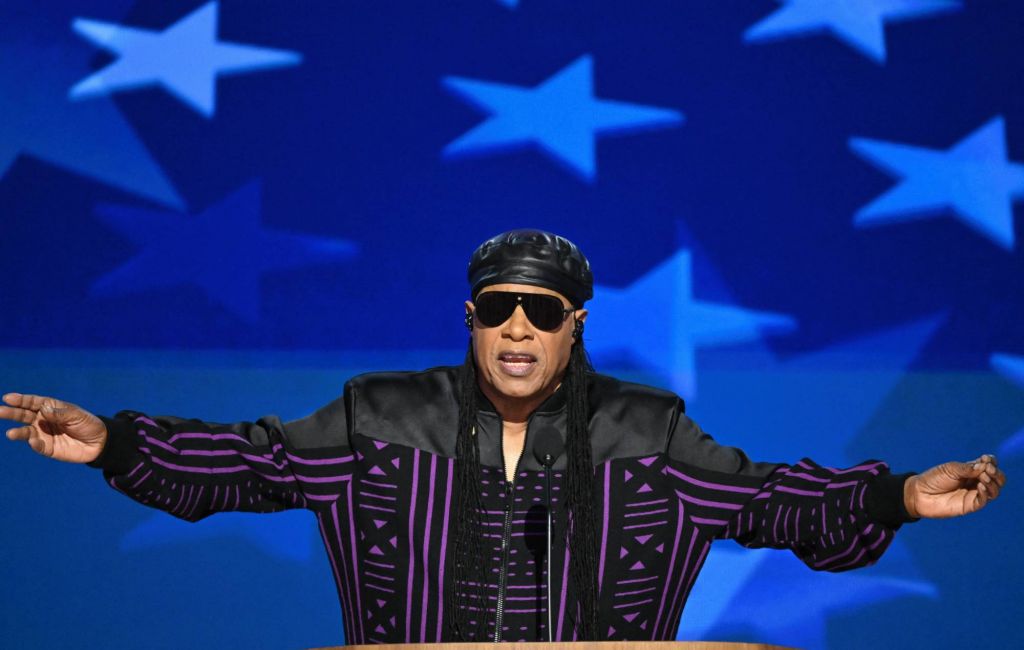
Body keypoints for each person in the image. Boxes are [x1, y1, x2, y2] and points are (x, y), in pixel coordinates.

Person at [2, 230, 1006, 644]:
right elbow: (249, 463)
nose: (516, 328)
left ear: (575, 323)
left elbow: (766, 498)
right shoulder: (379, 415)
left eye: (540, 308)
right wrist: (112, 444)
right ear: (472, 317)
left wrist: (903, 496)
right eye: (497, 307)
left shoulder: (642, 429)